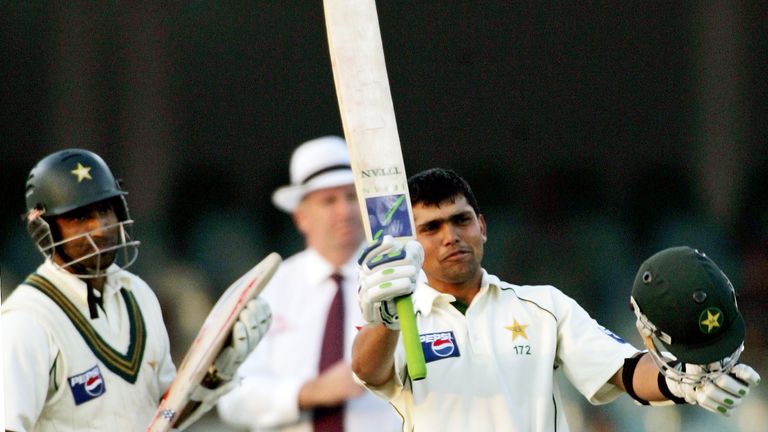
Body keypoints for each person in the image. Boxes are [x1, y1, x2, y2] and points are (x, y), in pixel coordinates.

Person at [351, 167, 761, 431]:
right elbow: (369, 370)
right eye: (432, 227)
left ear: (482, 226)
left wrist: (681, 382)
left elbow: (623, 370)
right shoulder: (402, 318)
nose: (450, 237)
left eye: (461, 221)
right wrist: (385, 321)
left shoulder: (543, 306)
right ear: (414, 242)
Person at [2, 148, 272, 431]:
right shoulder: (27, 320)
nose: (101, 228)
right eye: (80, 218)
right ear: (44, 229)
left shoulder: (139, 295)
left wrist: (214, 373)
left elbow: (165, 416)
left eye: (105, 210)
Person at [217, 136, 401, 431]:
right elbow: (231, 396)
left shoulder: (399, 279)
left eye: (352, 197)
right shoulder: (269, 288)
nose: (345, 211)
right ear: (301, 217)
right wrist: (309, 392)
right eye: (329, 200)